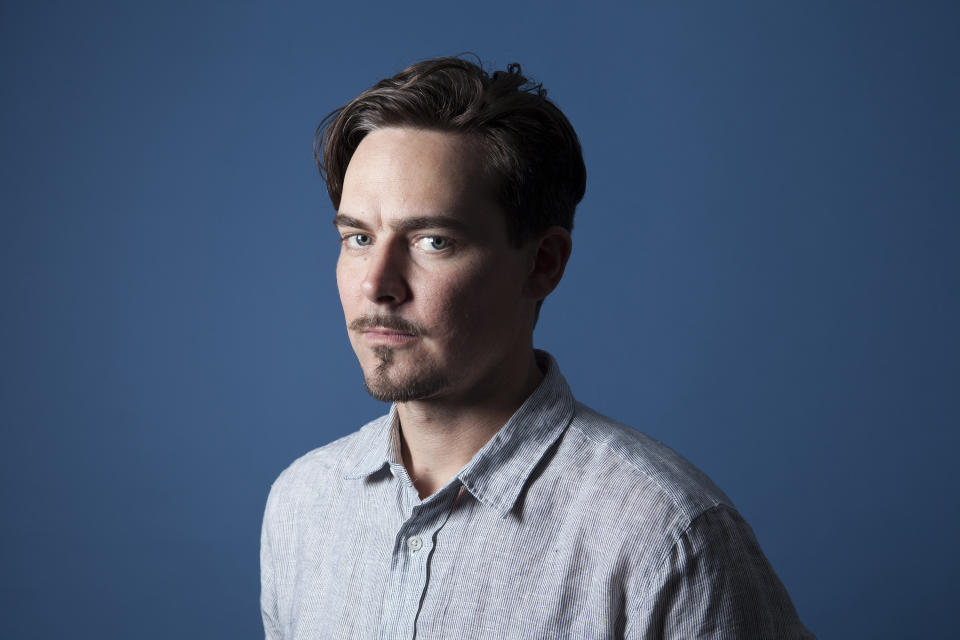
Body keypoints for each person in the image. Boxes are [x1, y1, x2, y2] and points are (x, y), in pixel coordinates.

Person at [260, 56, 812, 639]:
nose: (376, 284)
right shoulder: (303, 503)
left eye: (433, 240)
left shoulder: (666, 535)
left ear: (542, 263)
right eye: (358, 238)